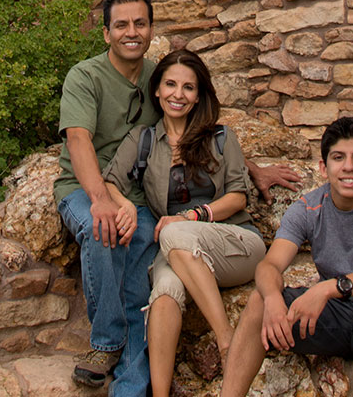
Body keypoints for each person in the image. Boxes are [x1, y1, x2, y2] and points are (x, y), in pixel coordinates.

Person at [56, 0, 301, 394]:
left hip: (143, 204)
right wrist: (102, 200)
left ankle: (134, 387)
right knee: (102, 233)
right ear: (106, 34)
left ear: (151, 29)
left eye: (139, 24)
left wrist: (251, 169)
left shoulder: (160, 74)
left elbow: (200, 129)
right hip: (88, 188)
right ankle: (105, 346)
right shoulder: (86, 77)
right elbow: (79, 140)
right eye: (121, 25)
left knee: (143, 285)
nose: (131, 32)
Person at [98, 49, 265, 397]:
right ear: (156, 90)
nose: (178, 94)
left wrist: (192, 216)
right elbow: (110, 181)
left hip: (234, 243)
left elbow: (238, 196)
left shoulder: (221, 137)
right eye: (170, 84)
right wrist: (126, 203)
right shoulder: (142, 140)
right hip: (178, 252)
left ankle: (225, 341)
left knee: (172, 233)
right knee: (164, 294)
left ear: (198, 95)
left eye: (188, 87)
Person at [216, 117, 353, 397]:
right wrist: (274, 298)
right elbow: (269, 265)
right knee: (260, 300)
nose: (348, 167)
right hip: (339, 316)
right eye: (338, 157)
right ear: (324, 168)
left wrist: (327, 288)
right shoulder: (308, 208)